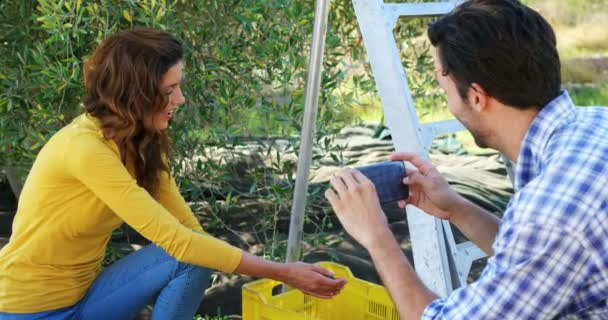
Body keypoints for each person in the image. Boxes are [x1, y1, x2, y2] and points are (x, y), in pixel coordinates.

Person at [0, 28, 346, 320]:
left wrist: (271, 268)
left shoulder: (140, 144)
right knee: (190, 251)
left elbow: (190, 234)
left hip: (84, 301)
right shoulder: (85, 148)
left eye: (178, 87)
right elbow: (176, 240)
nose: (179, 99)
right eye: (168, 91)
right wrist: (283, 272)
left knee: (195, 257)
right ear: (133, 95)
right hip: (26, 309)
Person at [325, 0, 608, 318]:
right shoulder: (596, 124)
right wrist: (456, 208)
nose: (448, 103)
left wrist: (377, 237)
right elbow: (538, 261)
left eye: (444, 90)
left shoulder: (549, 210)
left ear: (476, 97)